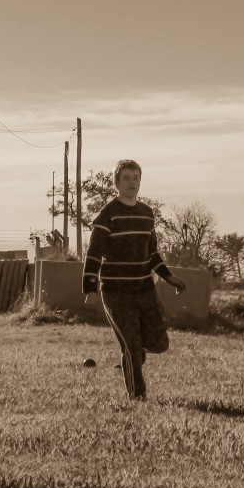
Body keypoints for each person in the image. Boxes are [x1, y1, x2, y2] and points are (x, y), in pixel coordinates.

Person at [82, 160, 187, 400]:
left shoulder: (146, 214)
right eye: (126, 177)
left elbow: (152, 254)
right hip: (115, 292)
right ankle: (137, 396)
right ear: (116, 183)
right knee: (129, 346)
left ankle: (137, 352)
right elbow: (94, 252)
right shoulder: (107, 215)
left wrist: (169, 277)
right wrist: (89, 287)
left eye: (135, 177)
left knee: (160, 343)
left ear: (140, 182)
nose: (131, 182)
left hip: (144, 289)